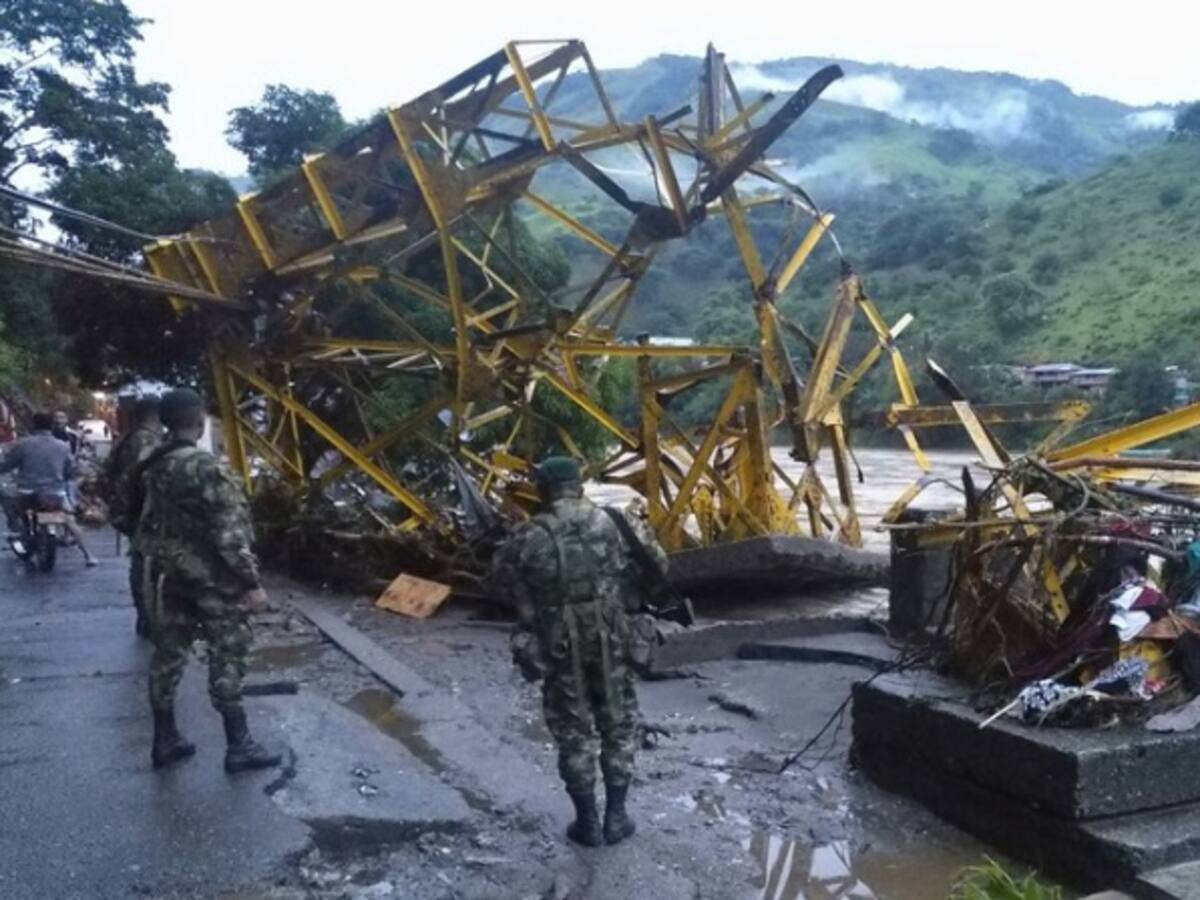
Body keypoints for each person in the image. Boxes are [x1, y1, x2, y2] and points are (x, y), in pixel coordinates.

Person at [492, 456, 666, 847]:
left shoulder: (527, 535)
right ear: (580, 483)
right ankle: (616, 817)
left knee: (574, 731)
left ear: (543, 489)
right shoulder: (618, 523)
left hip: (557, 642)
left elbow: (499, 581)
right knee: (618, 723)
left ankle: (586, 822)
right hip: (613, 635)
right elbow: (659, 566)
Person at [133, 388, 281, 773]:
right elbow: (229, 535)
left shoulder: (153, 462)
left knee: (168, 655)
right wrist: (251, 583)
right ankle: (239, 746)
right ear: (199, 421)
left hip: (169, 575)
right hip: (213, 582)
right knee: (228, 653)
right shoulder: (206, 467)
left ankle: (165, 739)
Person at [0, 411, 99, 566]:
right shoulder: (63, 446)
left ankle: (20, 533)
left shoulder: (23, 444)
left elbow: (8, 465)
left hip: (28, 491)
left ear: (33, 425)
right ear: (52, 426)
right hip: (55, 492)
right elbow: (70, 471)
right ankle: (89, 556)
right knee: (69, 521)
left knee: (11, 506)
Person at [100, 396, 163, 637]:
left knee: (143, 564)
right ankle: (148, 617)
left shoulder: (127, 439)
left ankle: (147, 616)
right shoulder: (145, 441)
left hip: (132, 513)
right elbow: (142, 481)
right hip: (144, 514)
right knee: (146, 566)